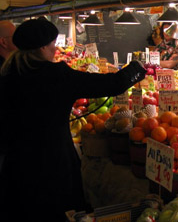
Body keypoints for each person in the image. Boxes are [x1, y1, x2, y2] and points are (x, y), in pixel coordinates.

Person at [0, 19, 146, 221]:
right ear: (43, 46)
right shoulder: (56, 75)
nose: (55, 48)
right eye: (53, 43)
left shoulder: (8, 74)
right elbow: (109, 84)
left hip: (17, 163)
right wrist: (137, 68)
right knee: (58, 212)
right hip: (53, 161)